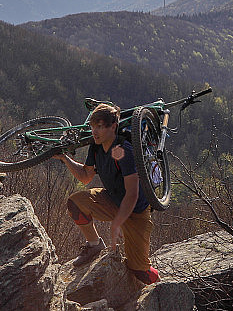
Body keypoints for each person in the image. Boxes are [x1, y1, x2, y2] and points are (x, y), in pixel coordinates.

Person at [53, 103, 161, 285]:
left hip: (135, 212)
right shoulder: (96, 147)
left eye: (100, 127)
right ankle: (94, 246)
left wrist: (117, 222)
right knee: (76, 203)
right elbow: (86, 176)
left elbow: (133, 194)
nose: (95, 132)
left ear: (113, 126)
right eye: (93, 127)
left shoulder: (122, 151)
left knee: (139, 271)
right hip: (112, 199)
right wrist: (65, 159)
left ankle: (164, 287)